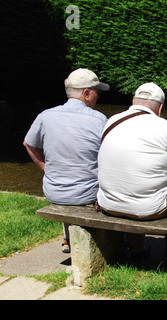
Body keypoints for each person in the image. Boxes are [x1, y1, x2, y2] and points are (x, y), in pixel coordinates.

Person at [23, 68, 109, 252]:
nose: (98, 96)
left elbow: (28, 144)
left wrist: (46, 169)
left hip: (53, 191)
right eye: (97, 92)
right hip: (87, 194)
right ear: (86, 93)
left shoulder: (45, 116)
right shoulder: (99, 120)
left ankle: (67, 237)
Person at [97, 82, 167, 256]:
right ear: (160, 108)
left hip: (108, 204)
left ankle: (136, 248)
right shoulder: (166, 128)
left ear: (133, 101)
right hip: (149, 210)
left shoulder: (111, 120)